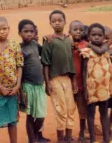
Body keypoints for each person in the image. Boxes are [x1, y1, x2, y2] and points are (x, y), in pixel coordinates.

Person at [41, 10, 77, 143]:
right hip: (54, 79)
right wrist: (47, 82)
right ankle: (61, 138)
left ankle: (69, 137)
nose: (57, 23)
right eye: (53, 21)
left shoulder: (68, 39)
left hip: (67, 78)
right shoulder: (48, 41)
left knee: (70, 108)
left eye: (59, 20)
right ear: (50, 23)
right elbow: (45, 63)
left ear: (65, 22)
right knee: (60, 109)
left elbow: (71, 62)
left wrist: (73, 80)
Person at [81, 23, 112, 143]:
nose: (96, 37)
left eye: (99, 35)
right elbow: (84, 71)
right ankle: (93, 139)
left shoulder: (105, 48)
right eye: (93, 35)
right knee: (91, 114)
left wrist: (111, 86)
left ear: (103, 37)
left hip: (104, 87)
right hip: (91, 88)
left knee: (104, 113)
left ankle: (106, 139)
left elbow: (102, 53)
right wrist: (85, 90)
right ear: (88, 35)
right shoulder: (85, 52)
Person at [19, 19, 46, 143]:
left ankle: (34, 136)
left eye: (31, 31)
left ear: (35, 32)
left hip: (39, 86)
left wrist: (48, 40)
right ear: (20, 33)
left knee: (40, 117)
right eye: (25, 31)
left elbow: (46, 52)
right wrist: (21, 92)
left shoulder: (35, 45)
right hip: (27, 86)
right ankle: (32, 140)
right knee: (30, 118)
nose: (29, 34)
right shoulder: (19, 49)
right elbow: (18, 72)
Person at [68, 20, 88, 142]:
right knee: (68, 110)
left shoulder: (86, 45)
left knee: (82, 110)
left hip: (82, 83)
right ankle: (68, 135)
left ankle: (82, 132)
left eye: (81, 30)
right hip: (68, 83)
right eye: (75, 29)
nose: (78, 32)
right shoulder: (66, 44)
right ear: (69, 31)